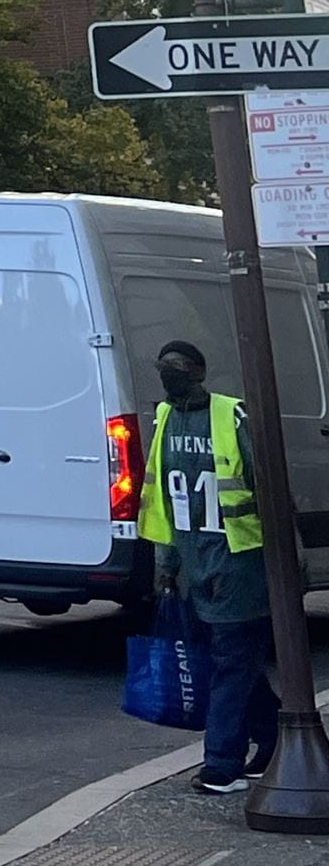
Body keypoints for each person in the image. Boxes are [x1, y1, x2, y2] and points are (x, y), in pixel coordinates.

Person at [143, 339, 279, 795]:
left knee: (231, 662)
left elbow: (265, 484)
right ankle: (272, 738)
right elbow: (165, 496)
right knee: (233, 663)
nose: (168, 373)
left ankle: (221, 763)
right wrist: (168, 564)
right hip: (211, 565)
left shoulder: (222, 415)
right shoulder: (173, 417)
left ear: (198, 371)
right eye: (164, 366)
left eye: (175, 366)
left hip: (233, 563)